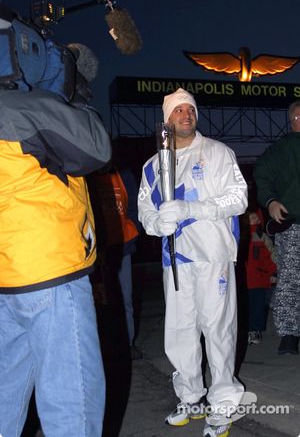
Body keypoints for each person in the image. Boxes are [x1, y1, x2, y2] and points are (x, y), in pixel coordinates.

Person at [0, 31, 111, 437]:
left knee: (5, 394)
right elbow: (96, 147)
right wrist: (73, 94)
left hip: (7, 276)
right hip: (49, 273)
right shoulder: (29, 109)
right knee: (72, 399)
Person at [138, 88, 248, 437]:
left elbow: (239, 198)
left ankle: (224, 403)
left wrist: (192, 210)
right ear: (166, 120)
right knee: (180, 333)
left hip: (213, 255)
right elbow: (145, 211)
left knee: (218, 331)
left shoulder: (217, 153)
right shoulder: (153, 165)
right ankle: (190, 397)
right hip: (176, 259)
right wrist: (158, 224)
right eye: (178, 111)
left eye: (190, 109)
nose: (186, 115)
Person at [253, 100, 300, 356]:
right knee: (292, 280)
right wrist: (270, 201)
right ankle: (289, 335)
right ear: (295, 119)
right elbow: (262, 173)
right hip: (293, 225)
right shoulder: (281, 150)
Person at [88, 165, 141, 359]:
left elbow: (134, 207)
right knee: (99, 301)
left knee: (125, 300)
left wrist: (133, 230)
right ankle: (103, 347)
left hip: (122, 247)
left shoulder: (124, 175)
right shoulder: (89, 175)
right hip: (97, 251)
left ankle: (128, 344)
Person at [244, 207, 277, 345]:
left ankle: (255, 331)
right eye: (252, 218)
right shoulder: (241, 236)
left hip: (259, 279)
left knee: (257, 307)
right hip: (244, 280)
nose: (256, 220)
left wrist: (274, 272)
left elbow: (271, 256)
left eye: (256, 218)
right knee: (245, 307)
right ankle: (245, 331)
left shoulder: (262, 236)